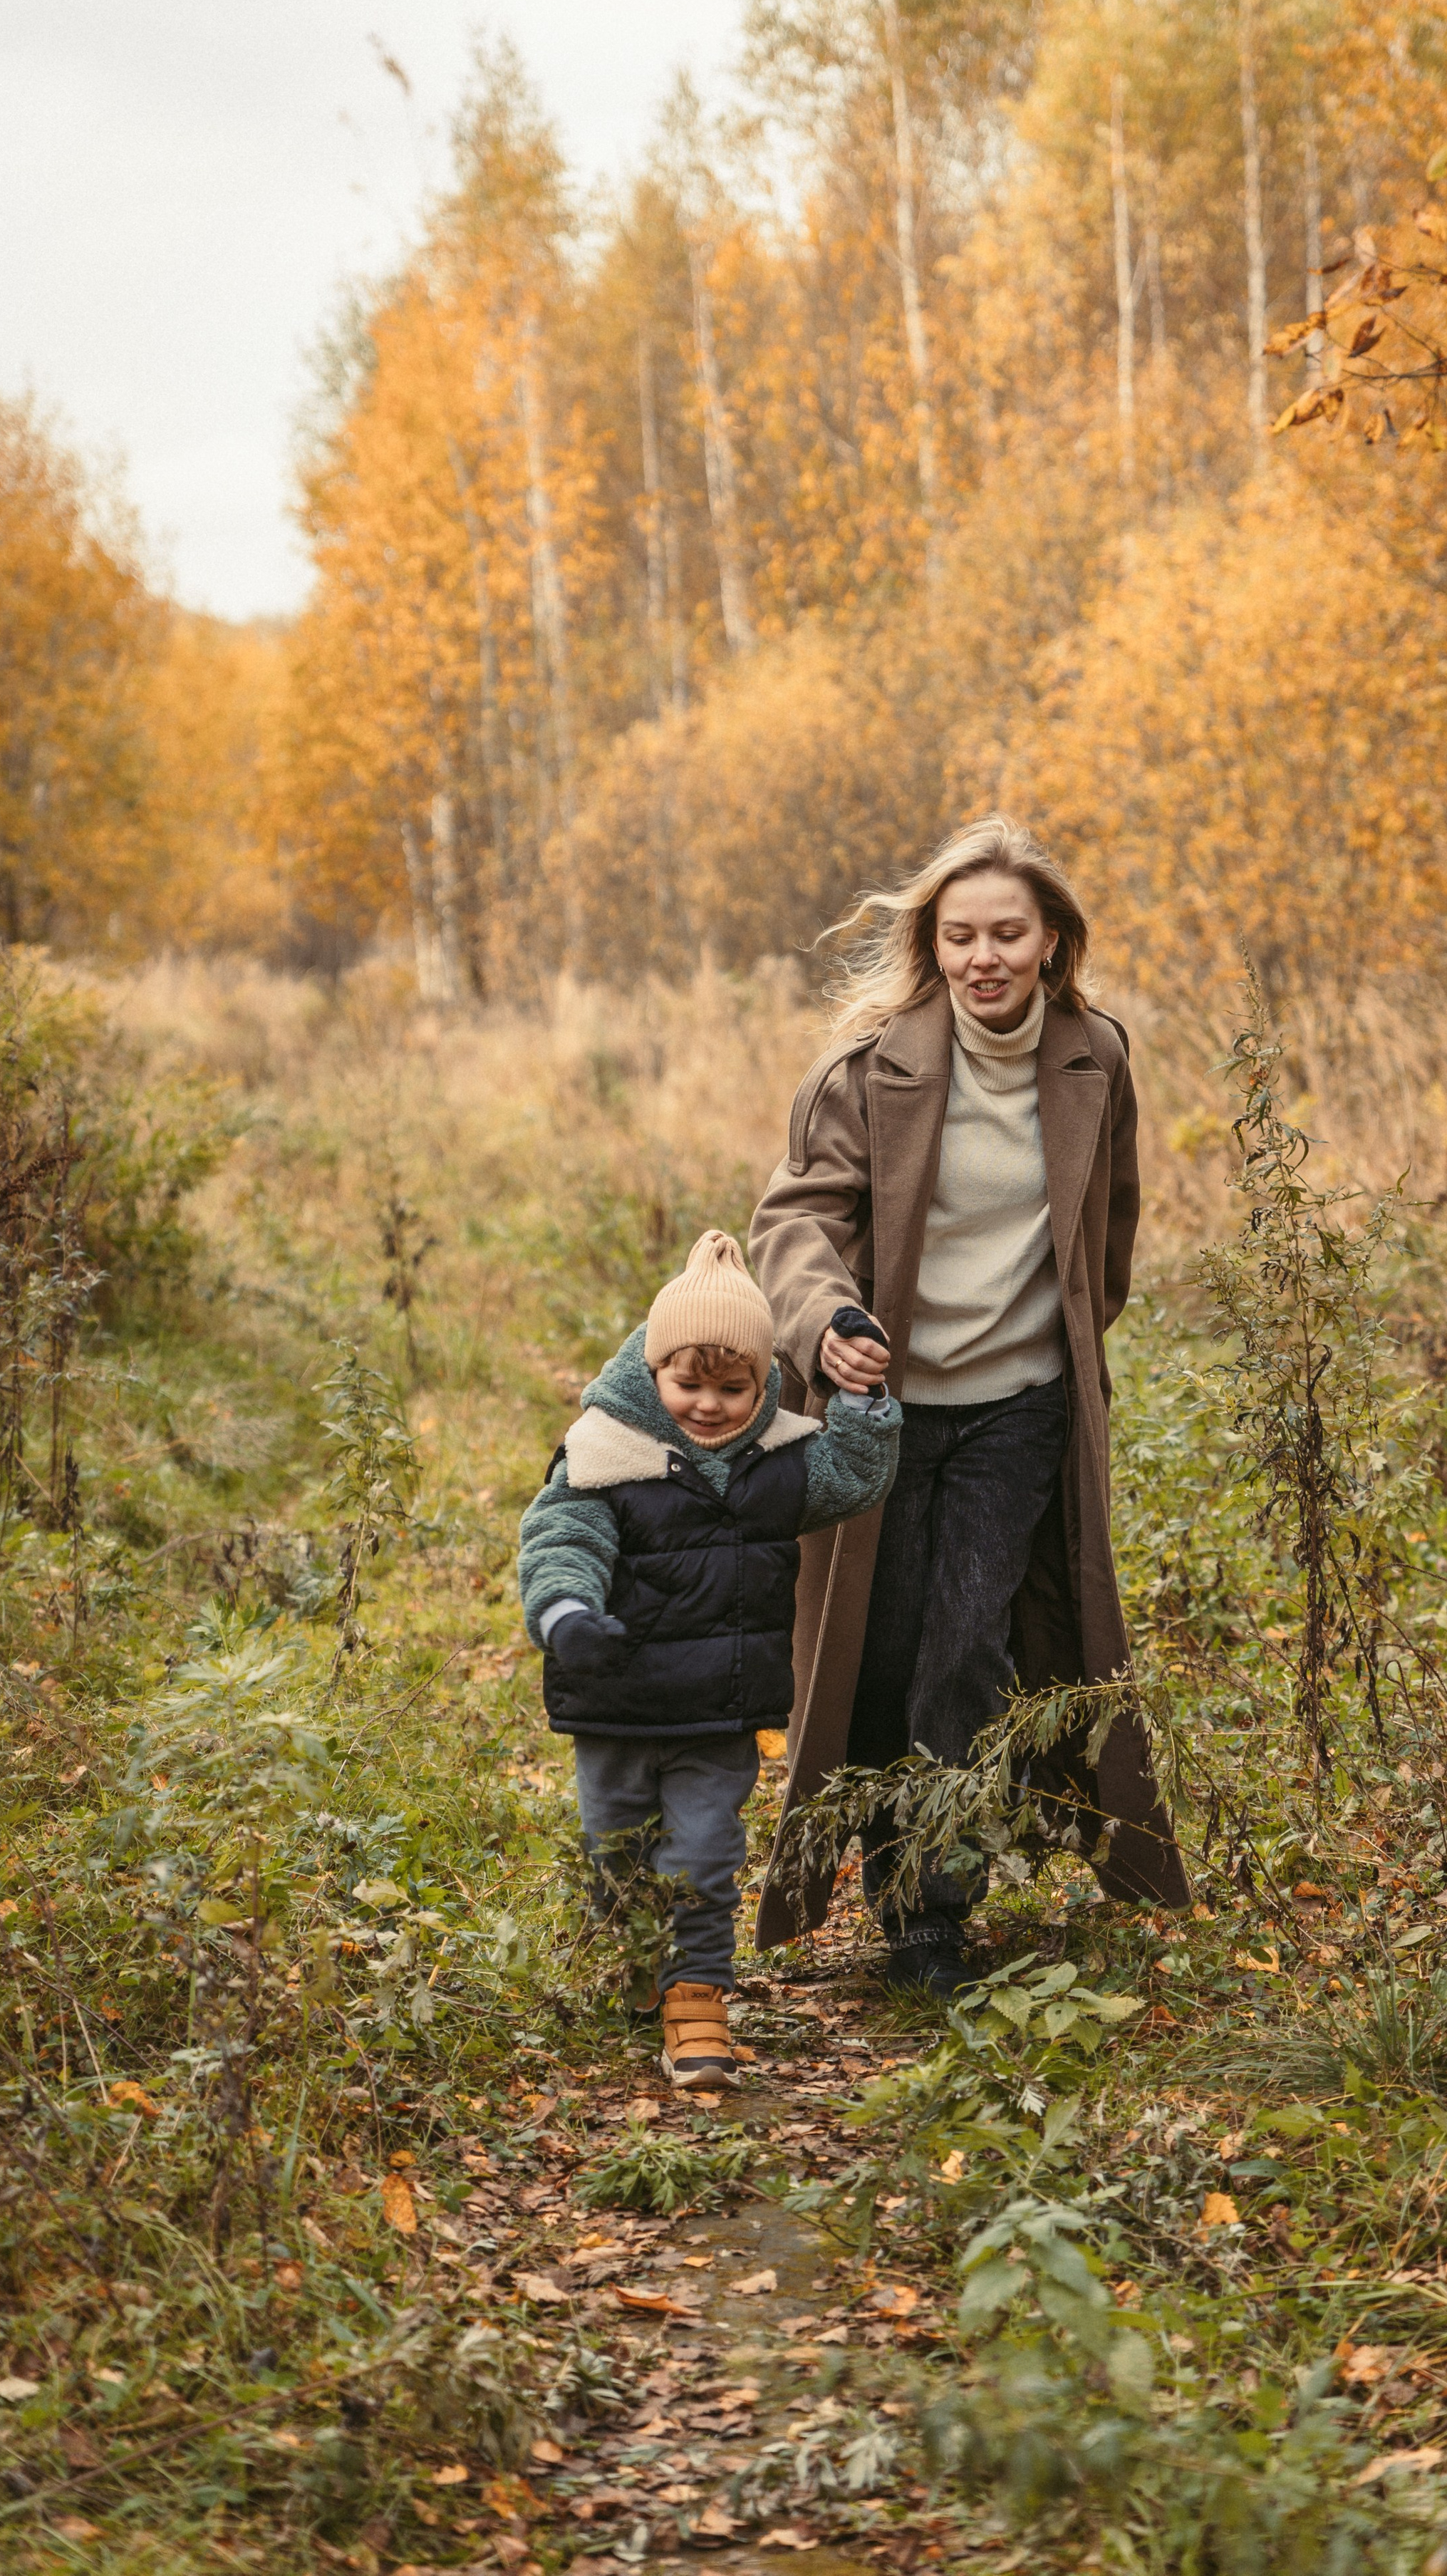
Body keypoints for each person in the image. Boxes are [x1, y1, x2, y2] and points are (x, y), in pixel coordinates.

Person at [748, 816, 1190, 1997]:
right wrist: (829, 1323)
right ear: (933, 947)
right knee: (881, 1654)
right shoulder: (867, 1072)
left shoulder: (1097, 1058)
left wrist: (1065, 1349)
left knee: (966, 1653)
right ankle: (889, 1870)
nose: (984, 956)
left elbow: (1115, 1228)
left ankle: (933, 1911)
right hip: (884, 1415)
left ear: (1051, 942)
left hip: (1017, 1413)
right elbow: (794, 1223)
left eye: (1007, 933)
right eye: (960, 937)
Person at [517, 1229, 901, 2088]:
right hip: (612, 1701)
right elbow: (559, 1538)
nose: (710, 1406)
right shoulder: (605, 1455)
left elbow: (852, 1478)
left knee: (702, 1858)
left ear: (764, 1383)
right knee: (615, 1848)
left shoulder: (775, 1461)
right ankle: (633, 1963)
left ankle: (697, 1998)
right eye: (689, 1384)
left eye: (735, 1388)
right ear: (652, 1375)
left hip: (719, 1711)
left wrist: (864, 1406)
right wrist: (567, 1615)